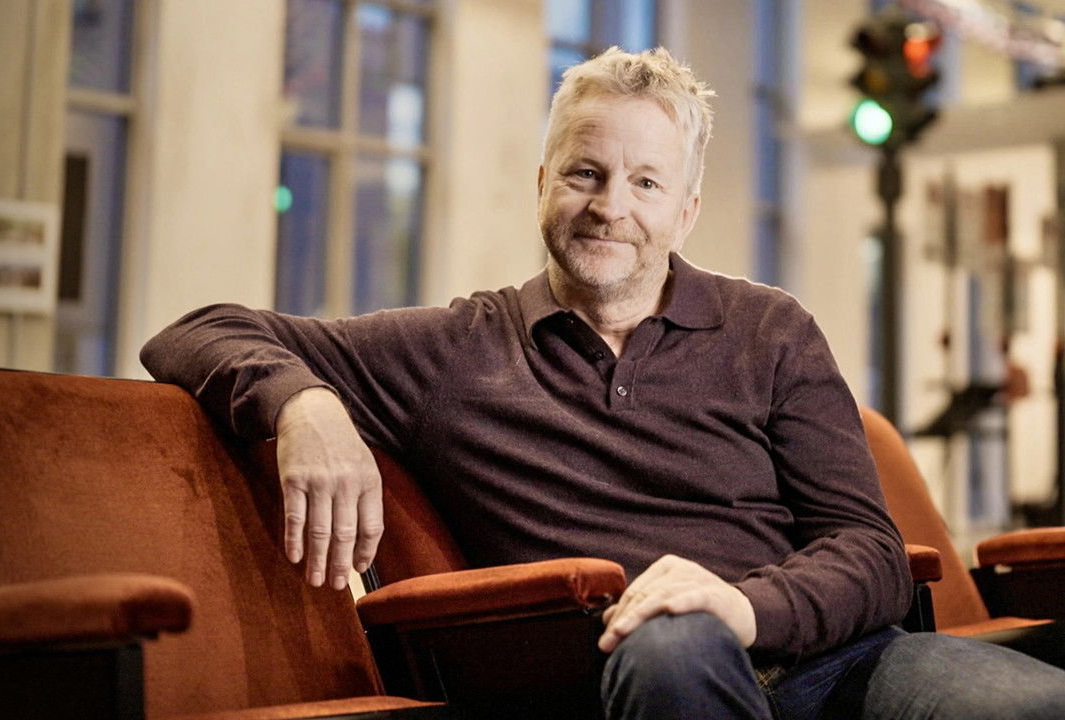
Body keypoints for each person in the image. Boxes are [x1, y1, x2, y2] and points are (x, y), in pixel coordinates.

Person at [142, 47, 1065, 719]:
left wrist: (743, 605)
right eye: (586, 173)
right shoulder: (455, 349)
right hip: (646, 672)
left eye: (646, 184)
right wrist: (303, 402)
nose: (610, 207)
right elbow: (194, 331)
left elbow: (869, 551)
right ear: (543, 182)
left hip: (842, 664)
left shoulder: (770, 329)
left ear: (686, 209)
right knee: (673, 645)